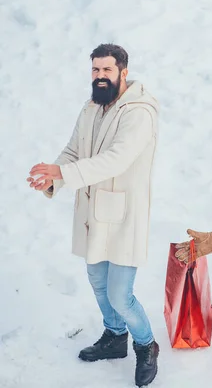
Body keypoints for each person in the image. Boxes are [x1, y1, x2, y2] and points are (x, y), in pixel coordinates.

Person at [27, 43, 160, 387]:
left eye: (107, 70)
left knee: (120, 295)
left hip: (123, 215)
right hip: (92, 213)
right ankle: (115, 338)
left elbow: (116, 159)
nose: (100, 76)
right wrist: (52, 176)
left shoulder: (139, 112)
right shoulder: (91, 108)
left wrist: (64, 173)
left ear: (123, 72)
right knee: (99, 285)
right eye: (95, 70)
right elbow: (73, 149)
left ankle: (146, 345)